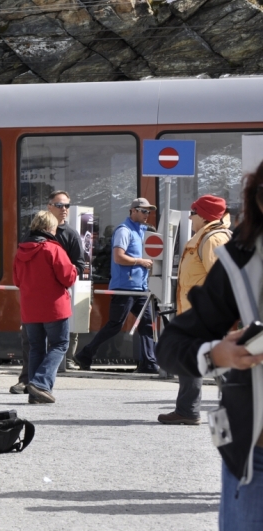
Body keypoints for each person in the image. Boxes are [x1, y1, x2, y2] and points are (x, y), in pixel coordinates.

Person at [156, 162, 263, 530]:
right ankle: (187, 409)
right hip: (255, 449)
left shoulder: (214, 239)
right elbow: (172, 344)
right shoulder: (240, 257)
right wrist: (215, 353)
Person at [158, 194, 231, 425]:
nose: (190, 217)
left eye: (193, 212)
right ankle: (187, 410)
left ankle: (244, 408)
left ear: (203, 215)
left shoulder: (212, 239)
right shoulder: (203, 237)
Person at [10, 190, 85, 394]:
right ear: (49, 226)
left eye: (66, 206)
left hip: (29, 307)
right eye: (60, 206)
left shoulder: (22, 248)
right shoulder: (54, 248)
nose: (64, 210)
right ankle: (41, 384)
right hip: (54, 306)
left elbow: (16, 279)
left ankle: (33, 387)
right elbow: (68, 277)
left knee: (35, 347)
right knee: (60, 344)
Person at [75, 198, 158, 373]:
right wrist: (141, 262)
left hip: (140, 287)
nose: (147, 215)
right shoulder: (124, 230)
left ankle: (148, 362)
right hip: (125, 286)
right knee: (115, 325)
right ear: (133, 211)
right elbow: (118, 257)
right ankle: (85, 354)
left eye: (149, 212)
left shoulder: (142, 230)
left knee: (147, 324)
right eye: (144, 211)